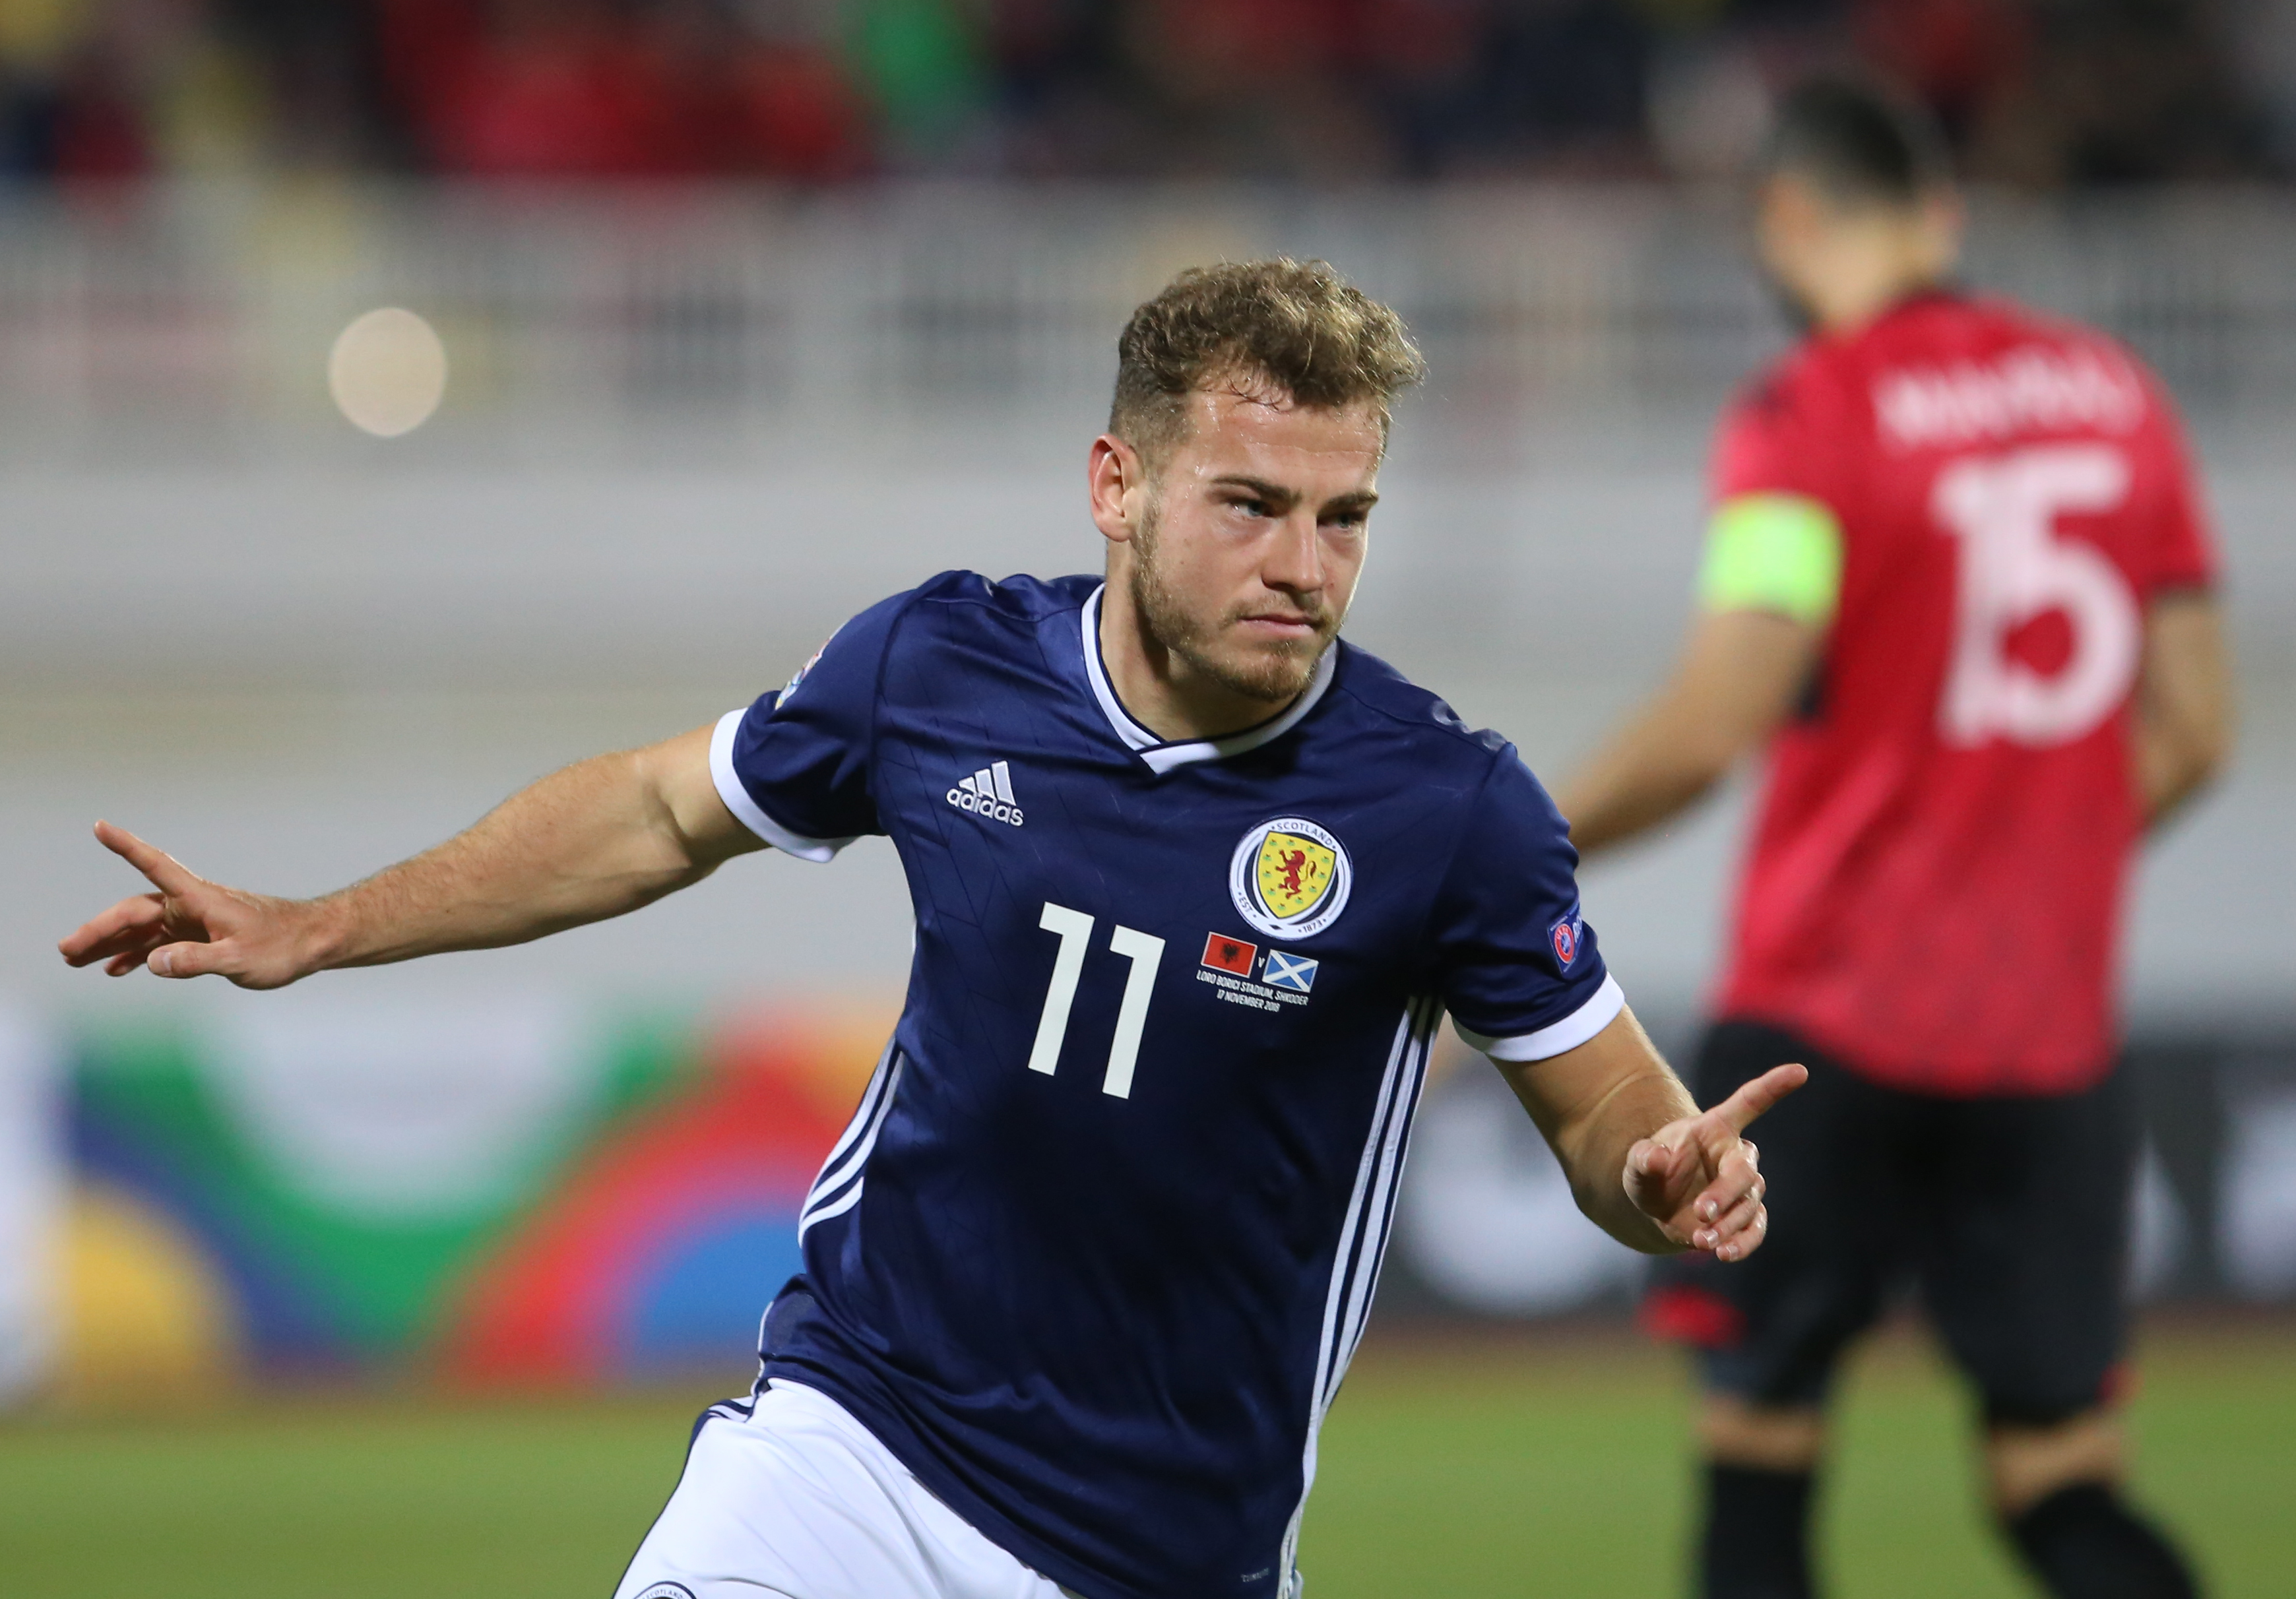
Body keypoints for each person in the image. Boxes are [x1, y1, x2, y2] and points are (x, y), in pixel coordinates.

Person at [59, 259, 1801, 1599]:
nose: (1307, 565)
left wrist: (1664, 1178)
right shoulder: (938, 668)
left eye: (1345, 517)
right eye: (1252, 506)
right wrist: (321, 925)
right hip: (859, 1441)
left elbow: (1609, 1120)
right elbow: (663, 811)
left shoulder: (1445, 809)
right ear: (1117, 484)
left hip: (1169, 1547)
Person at [1554, 80, 2234, 1599]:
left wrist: (1509, 847)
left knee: (1762, 1458)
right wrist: (2032, 857)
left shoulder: (1811, 417)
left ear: (1788, 222)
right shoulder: (2122, 400)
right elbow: (2195, 728)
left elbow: (1725, 712)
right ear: (1942, 214)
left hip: (1829, 1024)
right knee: (2060, 1489)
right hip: (2048, 1043)